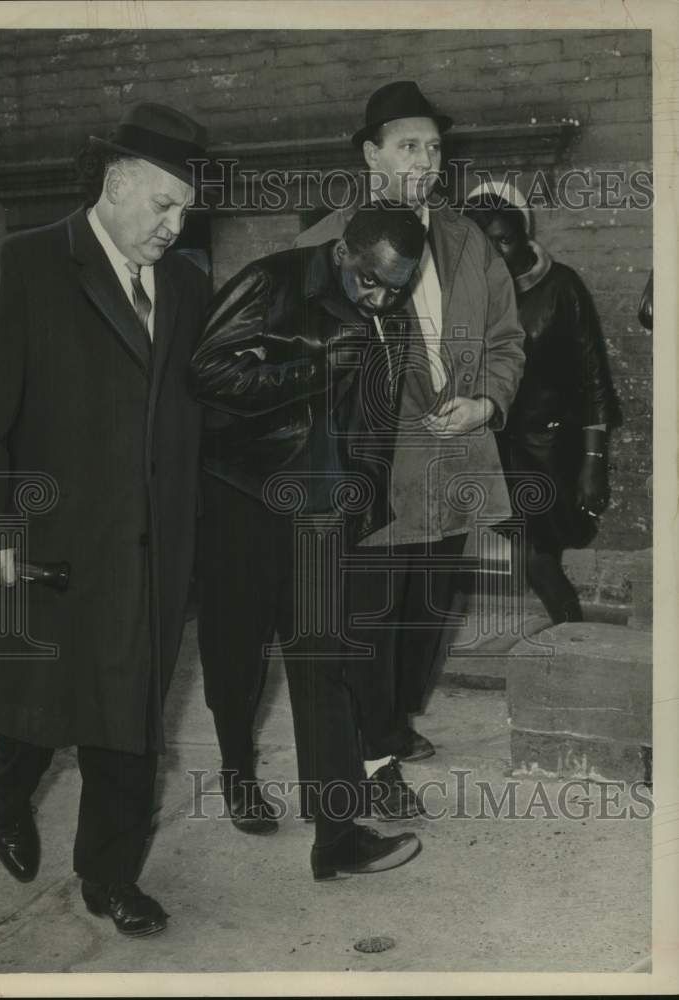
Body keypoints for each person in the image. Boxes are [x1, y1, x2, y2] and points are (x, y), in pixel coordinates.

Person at [0, 102, 212, 937]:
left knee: (129, 719)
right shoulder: (22, 264)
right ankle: (10, 792)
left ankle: (109, 877)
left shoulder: (190, 284)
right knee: (34, 713)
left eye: (186, 212)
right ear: (117, 180)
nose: (175, 226)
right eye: (164, 204)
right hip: (48, 543)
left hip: (150, 551)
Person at [190, 201, 427, 880]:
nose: (382, 296)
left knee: (325, 669)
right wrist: (315, 365)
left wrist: (366, 503)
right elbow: (204, 374)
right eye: (371, 280)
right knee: (237, 654)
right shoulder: (272, 282)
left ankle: (338, 836)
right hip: (245, 496)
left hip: (325, 512)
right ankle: (238, 770)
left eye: (398, 286)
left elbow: (379, 423)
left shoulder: (393, 317)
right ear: (345, 251)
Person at [295, 81, 525, 771]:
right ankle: (370, 754)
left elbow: (508, 339)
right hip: (376, 468)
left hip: (456, 460)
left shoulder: (470, 240)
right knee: (368, 616)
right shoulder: (323, 243)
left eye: (433, 146)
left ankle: (392, 721)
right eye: (407, 146)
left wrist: (485, 402)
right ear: (372, 155)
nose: (424, 159)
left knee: (426, 616)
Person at [463, 181, 620, 623]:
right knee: (531, 552)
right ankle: (572, 634)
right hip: (496, 448)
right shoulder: (472, 296)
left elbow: (594, 381)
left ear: (524, 233)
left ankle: (573, 634)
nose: (494, 253)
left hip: (550, 448)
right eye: (481, 244)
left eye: (504, 240)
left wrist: (594, 460)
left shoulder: (562, 286)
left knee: (537, 553)